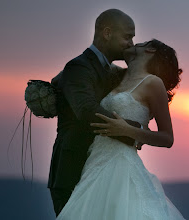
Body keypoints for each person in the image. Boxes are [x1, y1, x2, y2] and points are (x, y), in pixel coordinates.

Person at [56, 39, 185, 219]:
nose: (133, 42)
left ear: (150, 50)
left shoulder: (153, 83)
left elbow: (167, 138)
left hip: (121, 163)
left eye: (140, 42)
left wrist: (128, 131)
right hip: (94, 161)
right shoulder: (116, 77)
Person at [47, 9, 142, 216]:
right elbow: (86, 110)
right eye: (127, 37)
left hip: (99, 171)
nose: (131, 44)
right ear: (107, 33)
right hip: (72, 171)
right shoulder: (78, 67)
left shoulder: (108, 70)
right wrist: (132, 131)